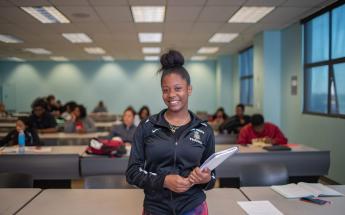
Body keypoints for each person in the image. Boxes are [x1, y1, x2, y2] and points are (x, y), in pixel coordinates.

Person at [126, 50, 216, 215]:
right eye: (165, 90)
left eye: (178, 88)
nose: (171, 95)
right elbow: (132, 173)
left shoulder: (204, 130)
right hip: (156, 209)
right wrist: (164, 181)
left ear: (189, 89)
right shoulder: (146, 126)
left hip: (193, 208)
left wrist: (206, 179)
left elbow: (212, 178)